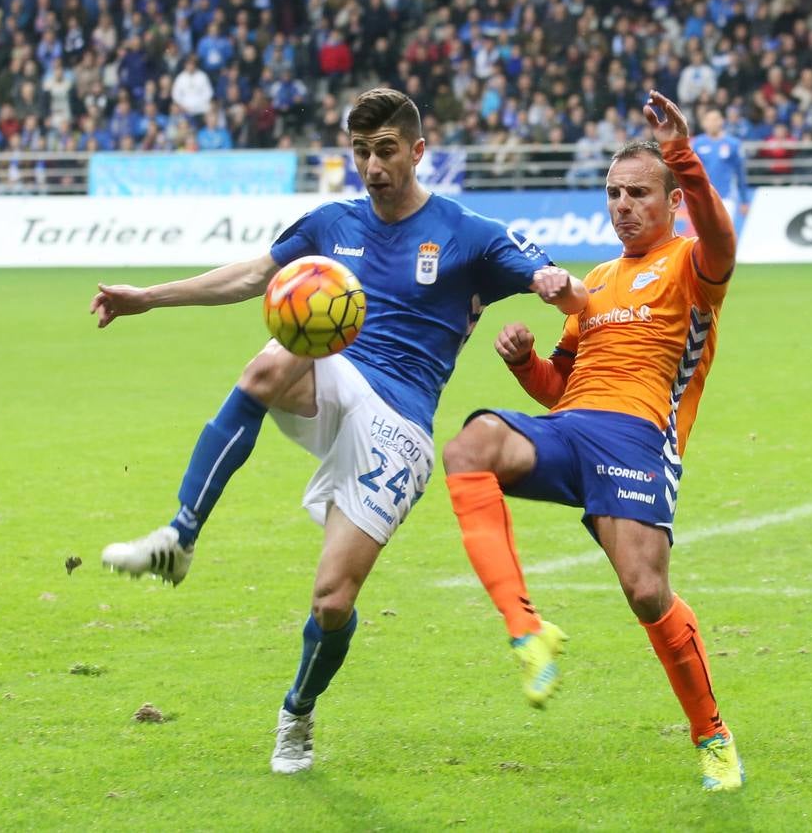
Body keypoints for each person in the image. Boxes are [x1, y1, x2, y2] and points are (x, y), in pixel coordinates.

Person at [89, 89, 587, 774]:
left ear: (417, 152)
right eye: (360, 152)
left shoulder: (467, 232)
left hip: (400, 424)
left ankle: (296, 713)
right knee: (269, 362)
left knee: (331, 601)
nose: (372, 166)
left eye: (385, 151)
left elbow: (550, 279)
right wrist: (147, 297)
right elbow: (252, 277)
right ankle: (179, 535)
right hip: (336, 375)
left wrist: (554, 284)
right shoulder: (331, 223)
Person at [441, 91, 745, 792]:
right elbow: (562, 390)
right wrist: (524, 364)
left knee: (645, 593)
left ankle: (711, 734)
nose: (622, 205)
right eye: (612, 193)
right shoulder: (597, 283)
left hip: (639, 441)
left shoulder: (691, 265)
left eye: (638, 193)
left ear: (670, 202)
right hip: (572, 428)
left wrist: (682, 156)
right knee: (469, 447)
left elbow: (722, 242)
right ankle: (526, 629)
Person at [691, 107, 750, 225]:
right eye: (709, 120)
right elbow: (691, 173)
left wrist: (744, 200)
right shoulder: (697, 144)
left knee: (726, 234)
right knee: (708, 236)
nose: (713, 123)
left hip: (727, 197)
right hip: (704, 198)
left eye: (716, 119)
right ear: (704, 123)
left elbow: (740, 173)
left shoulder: (733, 144)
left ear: (722, 121)